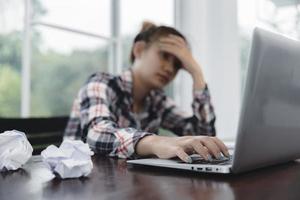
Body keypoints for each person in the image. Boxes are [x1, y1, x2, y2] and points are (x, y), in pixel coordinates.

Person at [64, 21, 229, 163]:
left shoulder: (157, 101)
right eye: (164, 56)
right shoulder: (101, 83)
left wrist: (197, 74)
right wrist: (155, 143)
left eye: (177, 64)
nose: (170, 68)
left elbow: (203, 137)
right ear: (139, 50)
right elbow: (96, 134)